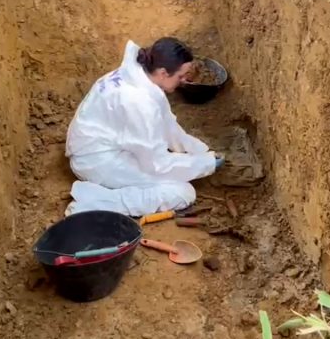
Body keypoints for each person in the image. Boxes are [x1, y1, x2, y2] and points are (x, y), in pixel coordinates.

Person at [64, 38, 224, 217]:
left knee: (172, 169)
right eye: (180, 76)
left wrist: (200, 152)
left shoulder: (139, 78)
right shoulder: (139, 102)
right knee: (182, 192)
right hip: (97, 162)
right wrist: (204, 164)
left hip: (103, 145)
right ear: (163, 72)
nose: (184, 80)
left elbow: (167, 124)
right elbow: (157, 164)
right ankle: (94, 204)